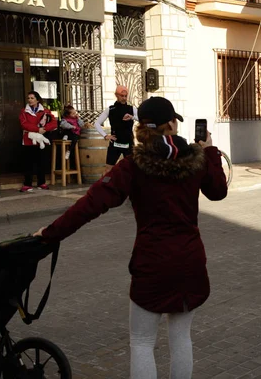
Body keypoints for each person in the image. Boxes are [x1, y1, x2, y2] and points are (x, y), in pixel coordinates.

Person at [34, 96, 228, 379]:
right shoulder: (194, 161)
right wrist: (209, 151)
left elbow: (91, 205)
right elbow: (218, 191)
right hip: (189, 262)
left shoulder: (133, 165)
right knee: (181, 339)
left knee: (142, 342)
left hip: (152, 264)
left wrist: (50, 235)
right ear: (171, 125)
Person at [95, 85, 138, 175]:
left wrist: (132, 117)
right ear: (116, 95)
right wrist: (105, 135)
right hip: (115, 143)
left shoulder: (132, 109)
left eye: (125, 96)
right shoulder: (110, 109)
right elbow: (97, 123)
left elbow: (143, 119)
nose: (124, 98)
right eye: (122, 96)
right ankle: (105, 187)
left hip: (128, 142)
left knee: (133, 169)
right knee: (108, 170)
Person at [19, 91, 57, 193]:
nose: (30, 100)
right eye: (28, 98)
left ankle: (41, 183)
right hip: (28, 140)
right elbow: (24, 124)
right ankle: (27, 184)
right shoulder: (24, 111)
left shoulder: (45, 111)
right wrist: (37, 129)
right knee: (28, 163)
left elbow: (54, 123)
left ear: (37, 99)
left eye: (32, 98)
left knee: (41, 162)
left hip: (41, 140)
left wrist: (44, 128)